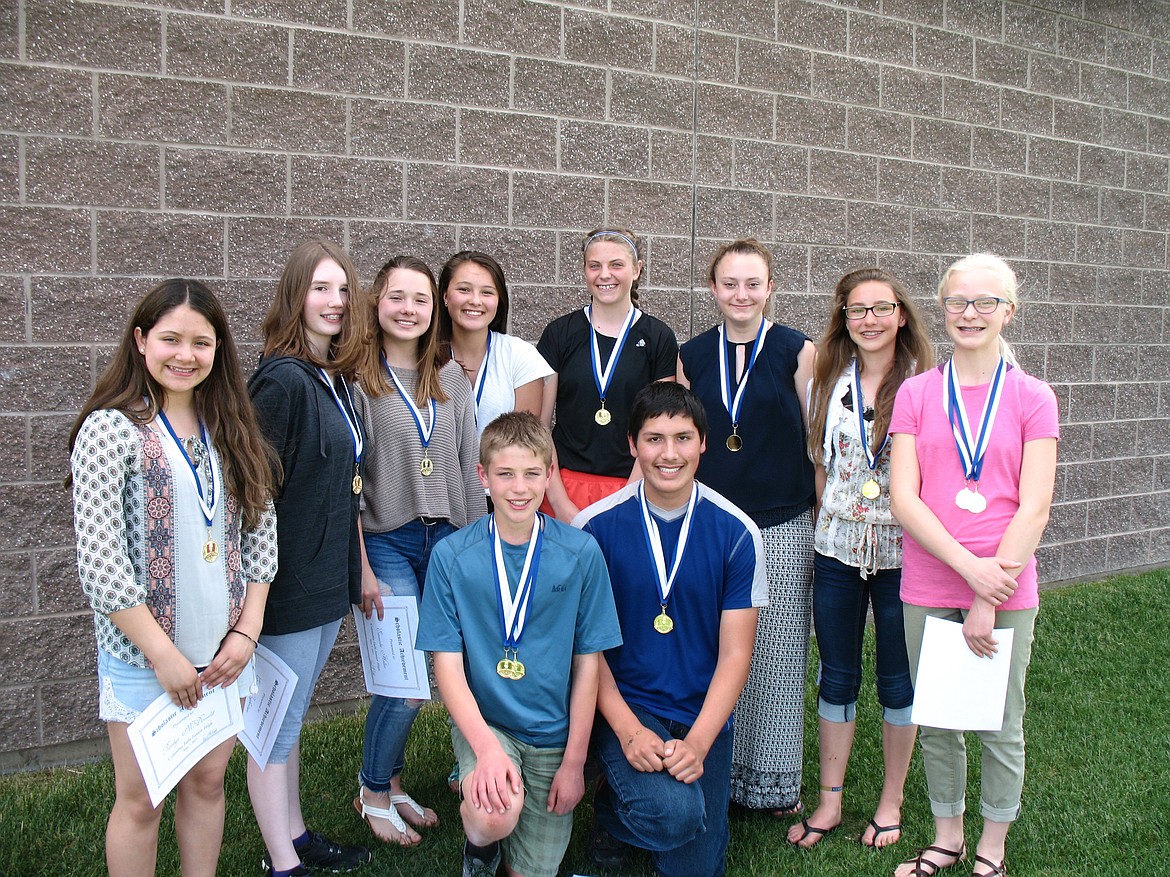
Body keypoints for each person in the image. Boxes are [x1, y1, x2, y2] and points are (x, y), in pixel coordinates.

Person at [69, 279, 278, 877]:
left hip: (223, 657)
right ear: (140, 341)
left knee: (209, 784)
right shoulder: (112, 430)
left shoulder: (231, 428)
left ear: (219, 351)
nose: (185, 355)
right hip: (145, 660)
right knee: (142, 800)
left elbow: (261, 538)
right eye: (170, 339)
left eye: (202, 342)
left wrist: (246, 635)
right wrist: (162, 656)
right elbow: (102, 562)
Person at [889, 254, 1058, 877]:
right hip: (930, 580)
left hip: (1008, 585)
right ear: (942, 306)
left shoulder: (1033, 397)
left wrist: (990, 590)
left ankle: (992, 845)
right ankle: (946, 835)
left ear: (1008, 311)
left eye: (986, 302)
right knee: (936, 717)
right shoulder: (916, 392)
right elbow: (906, 498)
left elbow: (1034, 505)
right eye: (959, 301)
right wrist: (970, 571)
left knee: (999, 721)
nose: (970, 313)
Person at [417, 412, 622, 877]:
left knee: (534, 872)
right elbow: (446, 668)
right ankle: (481, 847)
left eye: (532, 473)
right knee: (495, 813)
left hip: (553, 735)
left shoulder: (581, 553)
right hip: (490, 726)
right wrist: (486, 750)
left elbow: (589, 664)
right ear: (482, 477)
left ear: (550, 476)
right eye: (505, 473)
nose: (519, 487)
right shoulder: (452, 555)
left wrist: (574, 762)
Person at [575, 383, 766, 877]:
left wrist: (699, 743)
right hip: (628, 706)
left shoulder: (738, 532)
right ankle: (610, 805)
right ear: (633, 444)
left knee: (695, 865)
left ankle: (635, 810)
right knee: (676, 814)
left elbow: (735, 655)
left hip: (700, 713)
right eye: (654, 439)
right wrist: (628, 728)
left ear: (703, 442)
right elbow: (586, 649)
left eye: (683, 438)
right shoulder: (593, 528)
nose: (669, 453)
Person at [790, 268, 935, 849]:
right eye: (857, 310)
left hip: (908, 554)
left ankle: (891, 800)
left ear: (901, 314)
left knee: (899, 681)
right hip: (838, 550)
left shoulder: (927, 384)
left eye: (881, 308)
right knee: (838, 675)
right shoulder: (825, 379)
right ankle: (830, 801)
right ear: (843, 318)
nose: (869, 320)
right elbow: (820, 471)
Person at [676, 238, 816, 815]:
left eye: (752, 283)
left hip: (783, 522)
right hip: (714, 524)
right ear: (713, 289)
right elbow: (681, 438)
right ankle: (721, 772)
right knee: (716, 650)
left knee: (777, 654)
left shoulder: (796, 350)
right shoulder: (691, 354)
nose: (741, 294)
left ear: (770, 288)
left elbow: (817, 440)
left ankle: (773, 784)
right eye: (729, 283)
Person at [352, 255, 487, 847]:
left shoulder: (450, 376)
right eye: (397, 298)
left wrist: (476, 542)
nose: (409, 310)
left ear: (435, 310)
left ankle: (395, 780)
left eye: (421, 300)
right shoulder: (359, 381)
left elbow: (467, 463)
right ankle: (372, 790)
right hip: (386, 540)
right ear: (376, 304)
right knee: (406, 682)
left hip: (449, 539)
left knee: (438, 668)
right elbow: (350, 482)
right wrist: (358, 565)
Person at [248, 241, 372, 876]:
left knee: (290, 719)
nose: (336, 302)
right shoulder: (282, 380)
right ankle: (281, 864)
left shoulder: (334, 379)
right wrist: (255, 597)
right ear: (296, 295)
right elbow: (253, 492)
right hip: (287, 584)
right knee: (272, 726)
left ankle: (294, 835)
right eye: (321, 288)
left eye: (344, 291)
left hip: (327, 578)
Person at [538, 226, 678, 521]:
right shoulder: (559, 333)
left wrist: (628, 498)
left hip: (634, 487)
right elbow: (539, 424)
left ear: (637, 270)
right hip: (563, 485)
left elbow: (661, 427)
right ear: (585, 270)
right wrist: (561, 504)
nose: (605, 275)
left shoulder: (658, 337)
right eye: (595, 266)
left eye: (616, 264)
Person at [437, 250, 553, 433]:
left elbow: (521, 444)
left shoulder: (520, 356)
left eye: (487, 292)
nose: (475, 301)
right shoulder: (424, 356)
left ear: (499, 300)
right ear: (445, 296)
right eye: (464, 289)